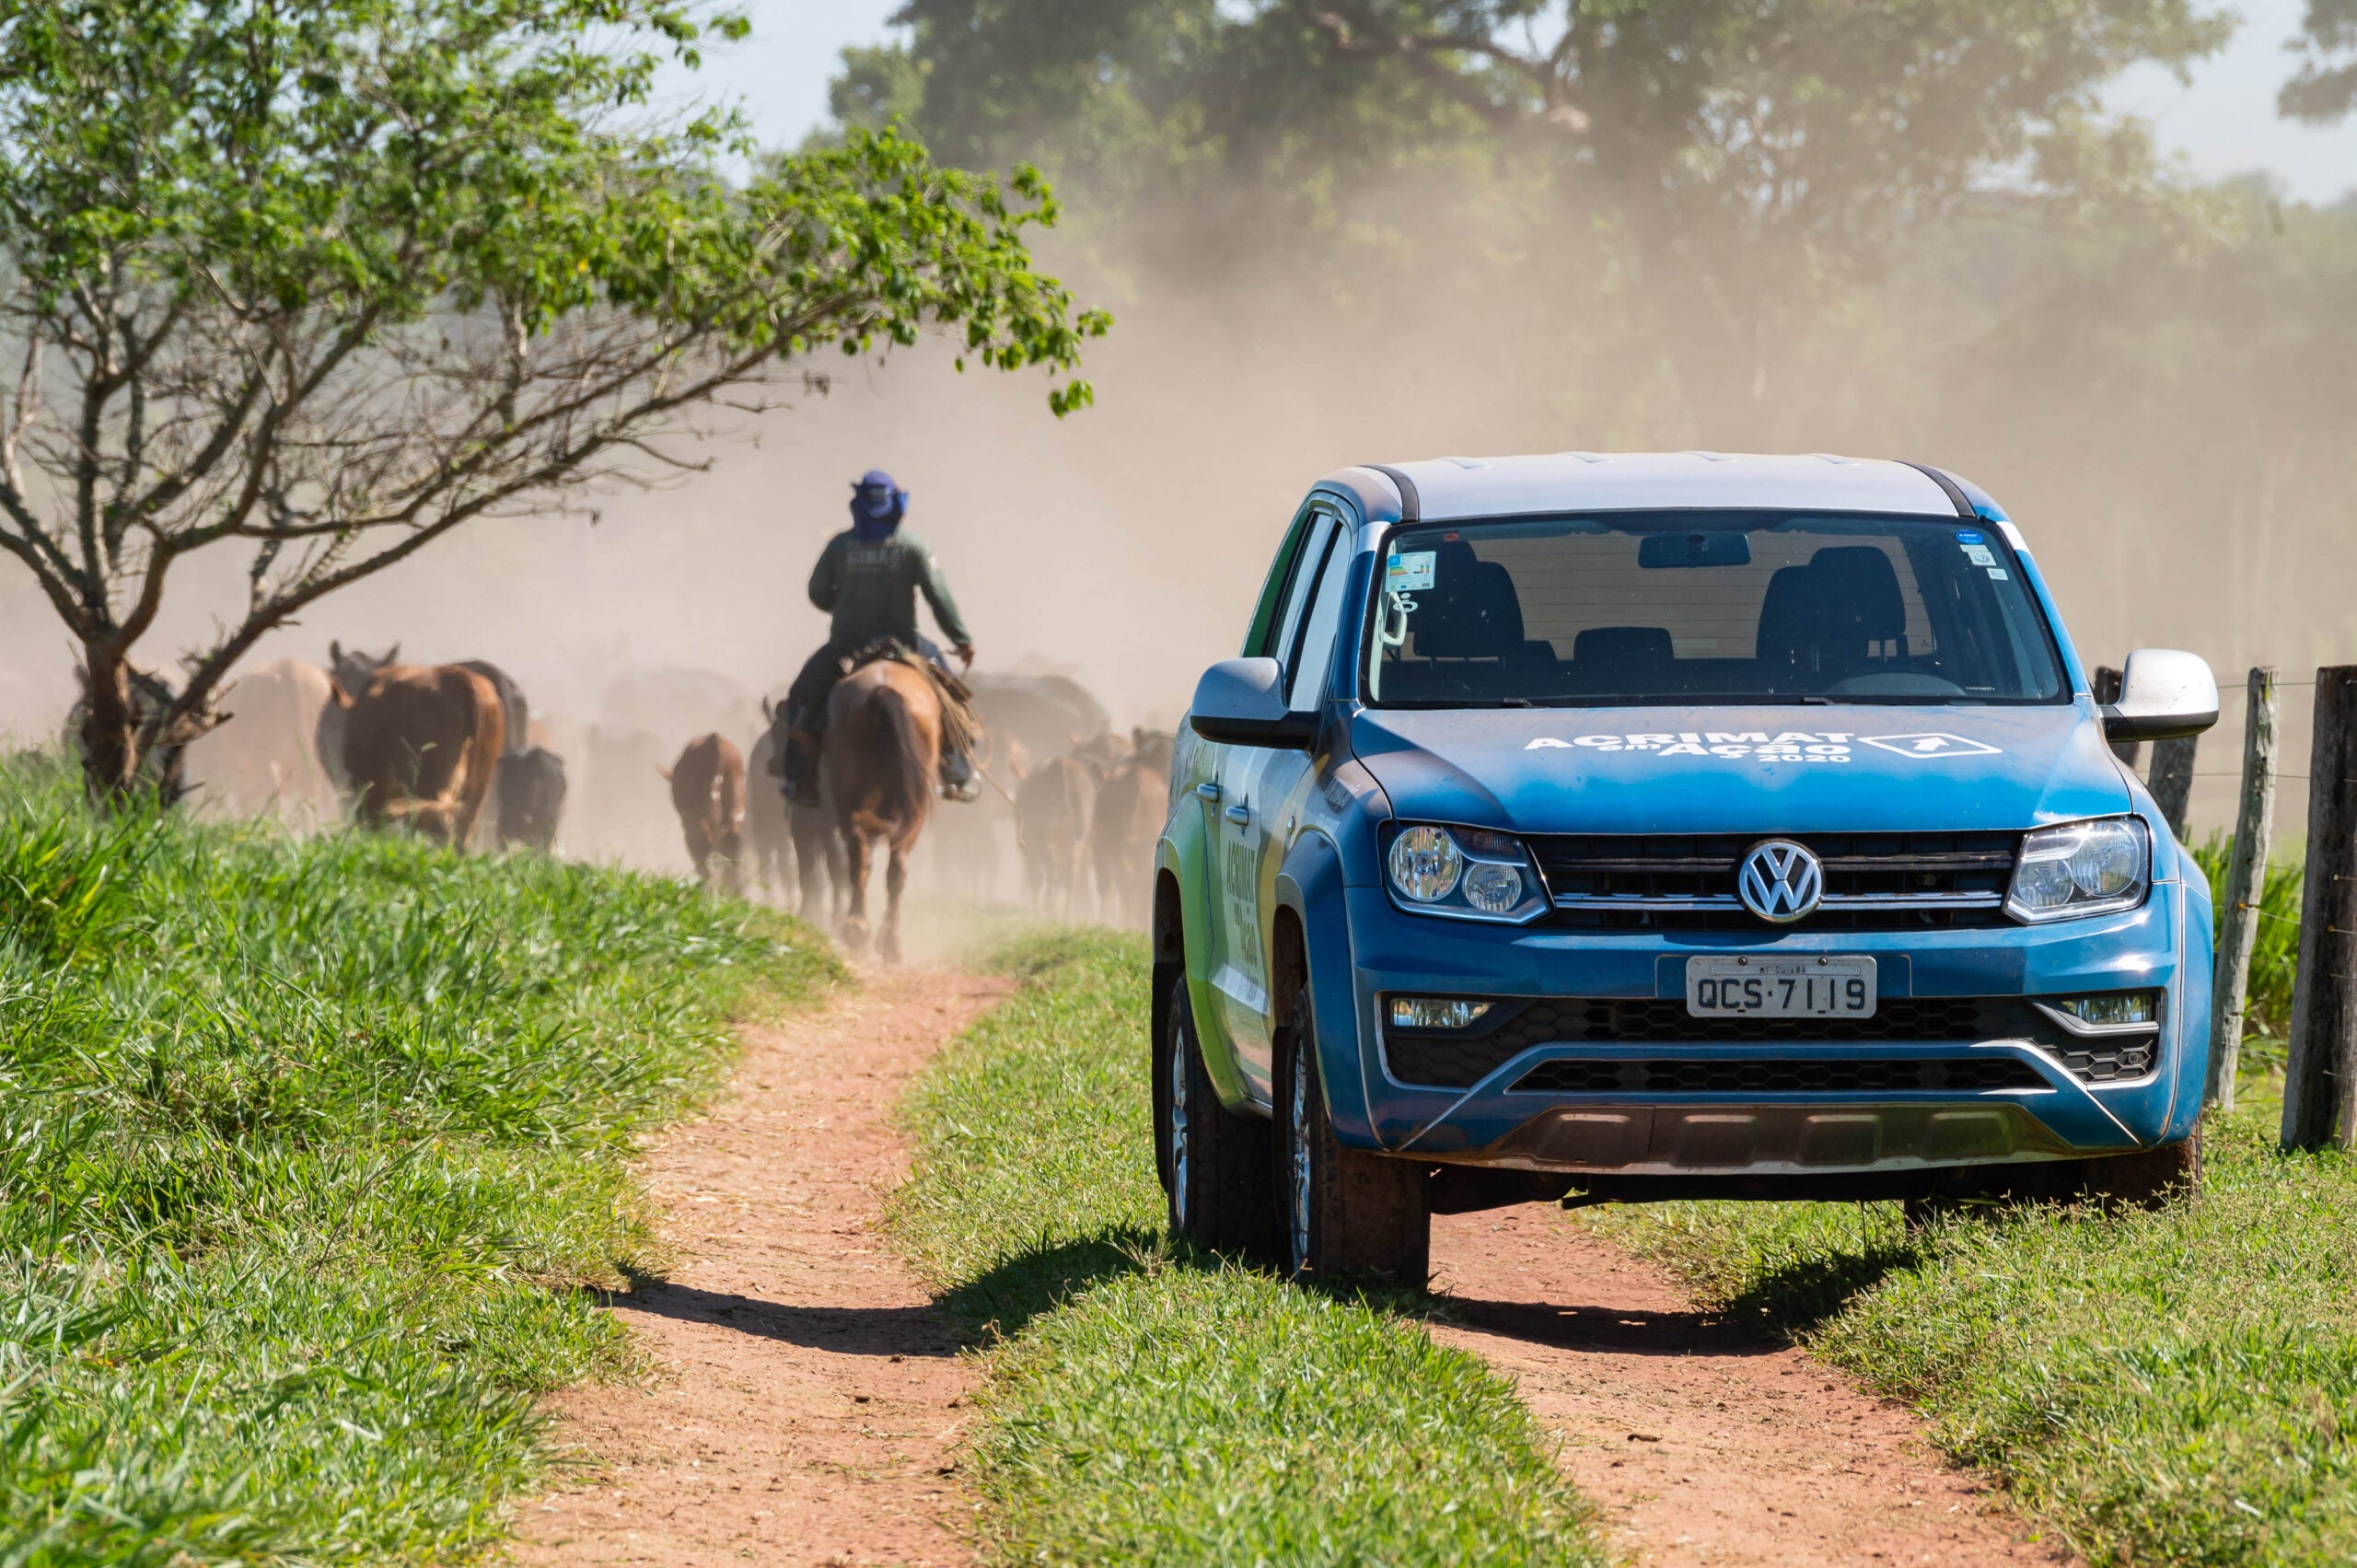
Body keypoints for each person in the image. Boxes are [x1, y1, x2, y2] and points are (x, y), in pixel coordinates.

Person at [779, 470, 980, 807]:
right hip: (904, 646)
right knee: (952, 699)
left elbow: (816, 592)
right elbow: (939, 597)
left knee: (801, 698)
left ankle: (799, 779)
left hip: (846, 644)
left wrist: (840, 604)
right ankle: (958, 775)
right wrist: (961, 640)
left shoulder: (840, 546)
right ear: (895, 505)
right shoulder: (914, 546)